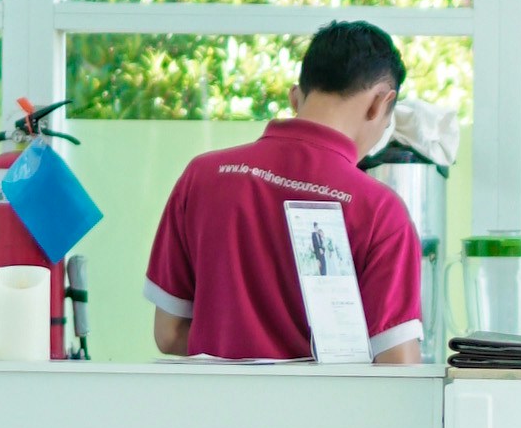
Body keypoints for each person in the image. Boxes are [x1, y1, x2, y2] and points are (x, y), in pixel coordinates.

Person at [145, 19, 426, 365]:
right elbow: (398, 366)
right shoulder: (381, 212)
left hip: (208, 414)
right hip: (321, 416)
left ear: (295, 96)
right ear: (379, 104)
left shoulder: (201, 176)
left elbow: (168, 333)